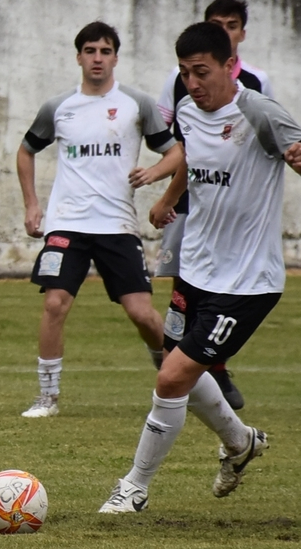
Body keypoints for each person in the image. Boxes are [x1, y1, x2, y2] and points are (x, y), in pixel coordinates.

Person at [99, 22, 301, 513]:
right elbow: (190, 154)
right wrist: (169, 197)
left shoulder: (258, 111)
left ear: (230, 66)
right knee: (176, 368)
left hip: (247, 283)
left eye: (202, 71)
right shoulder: (188, 110)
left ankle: (134, 488)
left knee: (171, 378)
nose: (192, 83)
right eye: (186, 72)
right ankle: (241, 441)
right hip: (197, 269)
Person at [16, 21, 184, 418]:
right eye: (90, 51)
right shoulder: (59, 107)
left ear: (115, 58)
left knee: (142, 312)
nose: (97, 58)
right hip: (67, 223)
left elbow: (176, 153)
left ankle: (173, 370)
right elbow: (25, 151)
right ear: (79, 57)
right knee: (55, 304)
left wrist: (154, 174)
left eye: (105, 51)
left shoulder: (135, 104)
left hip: (117, 225)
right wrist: (31, 204)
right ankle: (47, 397)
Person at [140, 0, 274, 411]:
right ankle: (189, 361)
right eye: (218, 24)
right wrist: (166, 191)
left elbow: (277, 142)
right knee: (186, 284)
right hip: (195, 210)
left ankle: (211, 365)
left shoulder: (256, 87)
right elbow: (184, 145)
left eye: (232, 25)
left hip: (238, 217)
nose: (193, 80)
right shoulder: (181, 87)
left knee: (223, 291)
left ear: (240, 37)